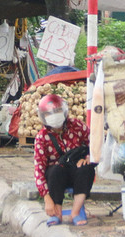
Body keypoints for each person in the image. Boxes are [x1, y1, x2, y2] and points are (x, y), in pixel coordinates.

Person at [32, 93, 94, 226]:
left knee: (86, 169)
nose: (54, 115)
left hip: (76, 171)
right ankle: (57, 212)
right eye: (49, 113)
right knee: (55, 171)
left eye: (58, 111)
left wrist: (89, 157)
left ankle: (75, 212)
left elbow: (94, 142)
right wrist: (46, 198)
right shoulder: (41, 138)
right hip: (56, 176)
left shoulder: (76, 125)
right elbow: (39, 170)